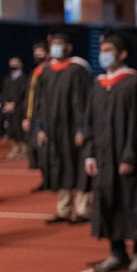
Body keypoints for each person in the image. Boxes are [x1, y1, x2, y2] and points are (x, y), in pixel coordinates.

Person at [83, 29, 137, 272]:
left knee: (133, 204)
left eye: (109, 51)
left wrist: (130, 156)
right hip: (103, 158)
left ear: (122, 54)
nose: (104, 55)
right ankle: (117, 252)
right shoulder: (99, 85)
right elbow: (89, 122)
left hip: (127, 159)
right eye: (102, 51)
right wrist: (89, 154)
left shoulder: (133, 83)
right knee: (109, 203)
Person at [32, 27, 92, 224]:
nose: (56, 48)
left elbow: (82, 102)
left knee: (77, 166)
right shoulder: (47, 72)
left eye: (60, 44)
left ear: (69, 47)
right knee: (61, 167)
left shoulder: (77, 70)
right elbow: (40, 102)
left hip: (72, 129)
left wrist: (81, 128)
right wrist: (40, 128)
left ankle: (83, 209)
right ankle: (63, 209)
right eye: (54, 45)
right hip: (53, 130)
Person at [22, 40, 50, 188]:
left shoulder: (51, 71)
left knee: (45, 150)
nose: (37, 54)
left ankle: (51, 179)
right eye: (36, 51)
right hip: (32, 117)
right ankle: (45, 178)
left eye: (40, 51)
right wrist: (26, 117)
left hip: (44, 117)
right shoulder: (34, 72)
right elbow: (29, 96)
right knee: (36, 150)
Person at [0, 56, 29, 159]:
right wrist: (6, 103)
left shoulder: (24, 78)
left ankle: (24, 149)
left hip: (20, 108)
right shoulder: (7, 79)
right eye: (11, 63)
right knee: (10, 128)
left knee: (19, 128)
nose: (13, 65)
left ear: (20, 64)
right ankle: (15, 148)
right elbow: (4, 93)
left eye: (15, 63)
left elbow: (23, 92)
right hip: (9, 108)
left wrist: (14, 103)